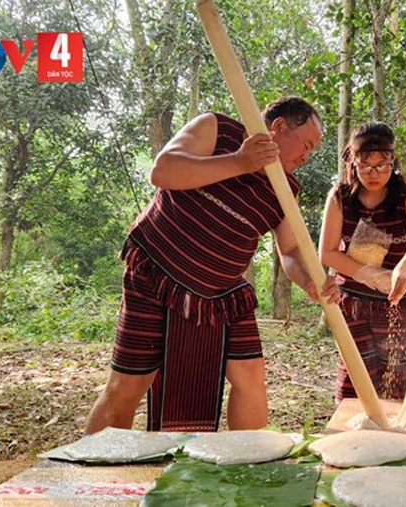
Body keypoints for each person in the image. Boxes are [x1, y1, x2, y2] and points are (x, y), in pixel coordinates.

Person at [85, 96, 339, 434]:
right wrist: (239, 161)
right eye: (306, 145)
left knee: (251, 377)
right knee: (129, 383)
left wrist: (309, 280)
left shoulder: (286, 187)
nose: (307, 158)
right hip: (156, 274)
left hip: (223, 295)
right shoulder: (216, 129)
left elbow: (290, 250)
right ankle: (95, 464)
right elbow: (163, 171)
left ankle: (246, 460)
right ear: (279, 127)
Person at [318, 122, 406, 401]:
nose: (374, 173)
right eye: (365, 166)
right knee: (356, 378)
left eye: (382, 165)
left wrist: (403, 268)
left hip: (399, 303)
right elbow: (327, 252)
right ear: (352, 162)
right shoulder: (340, 196)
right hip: (352, 303)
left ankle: (395, 430)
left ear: (393, 161)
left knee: (397, 377)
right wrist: (370, 275)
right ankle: (353, 428)